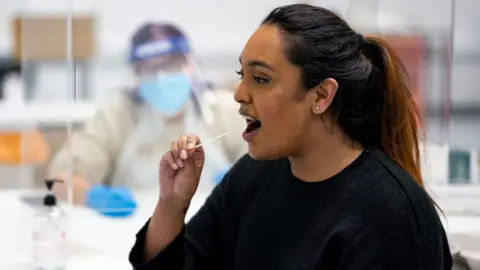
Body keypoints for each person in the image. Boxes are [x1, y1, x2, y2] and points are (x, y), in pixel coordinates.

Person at [129, 4, 453, 269]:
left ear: (321, 96)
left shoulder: (390, 217)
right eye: (243, 75)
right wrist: (172, 205)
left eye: (260, 78)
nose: (239, 94)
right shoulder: (252, 177)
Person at [47, 22, 246, 217]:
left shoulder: (224, 109)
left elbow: (270, 171)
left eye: (172, 65)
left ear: (189, 64)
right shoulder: (118, 114)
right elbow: (58, 180)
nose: (162, 78)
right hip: (134, 234)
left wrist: (244, 181)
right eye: (150, 69)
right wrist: (94, 197)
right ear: (136, 74)